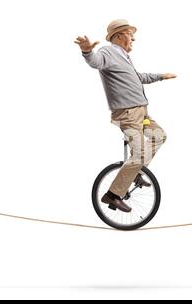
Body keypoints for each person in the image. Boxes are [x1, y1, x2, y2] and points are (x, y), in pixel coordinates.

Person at [75, 19, 176, 213]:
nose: (133, 38)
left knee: (159, 136)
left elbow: (138, 78)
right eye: (130, 34)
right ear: (119, 35)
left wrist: (161, 76)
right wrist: (87, 51)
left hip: (141, 112)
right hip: (128, 115)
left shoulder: (123, 56)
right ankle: (112, 195)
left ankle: (135, 172)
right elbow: (95, 62)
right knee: (138, 154)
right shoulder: (109, 51)